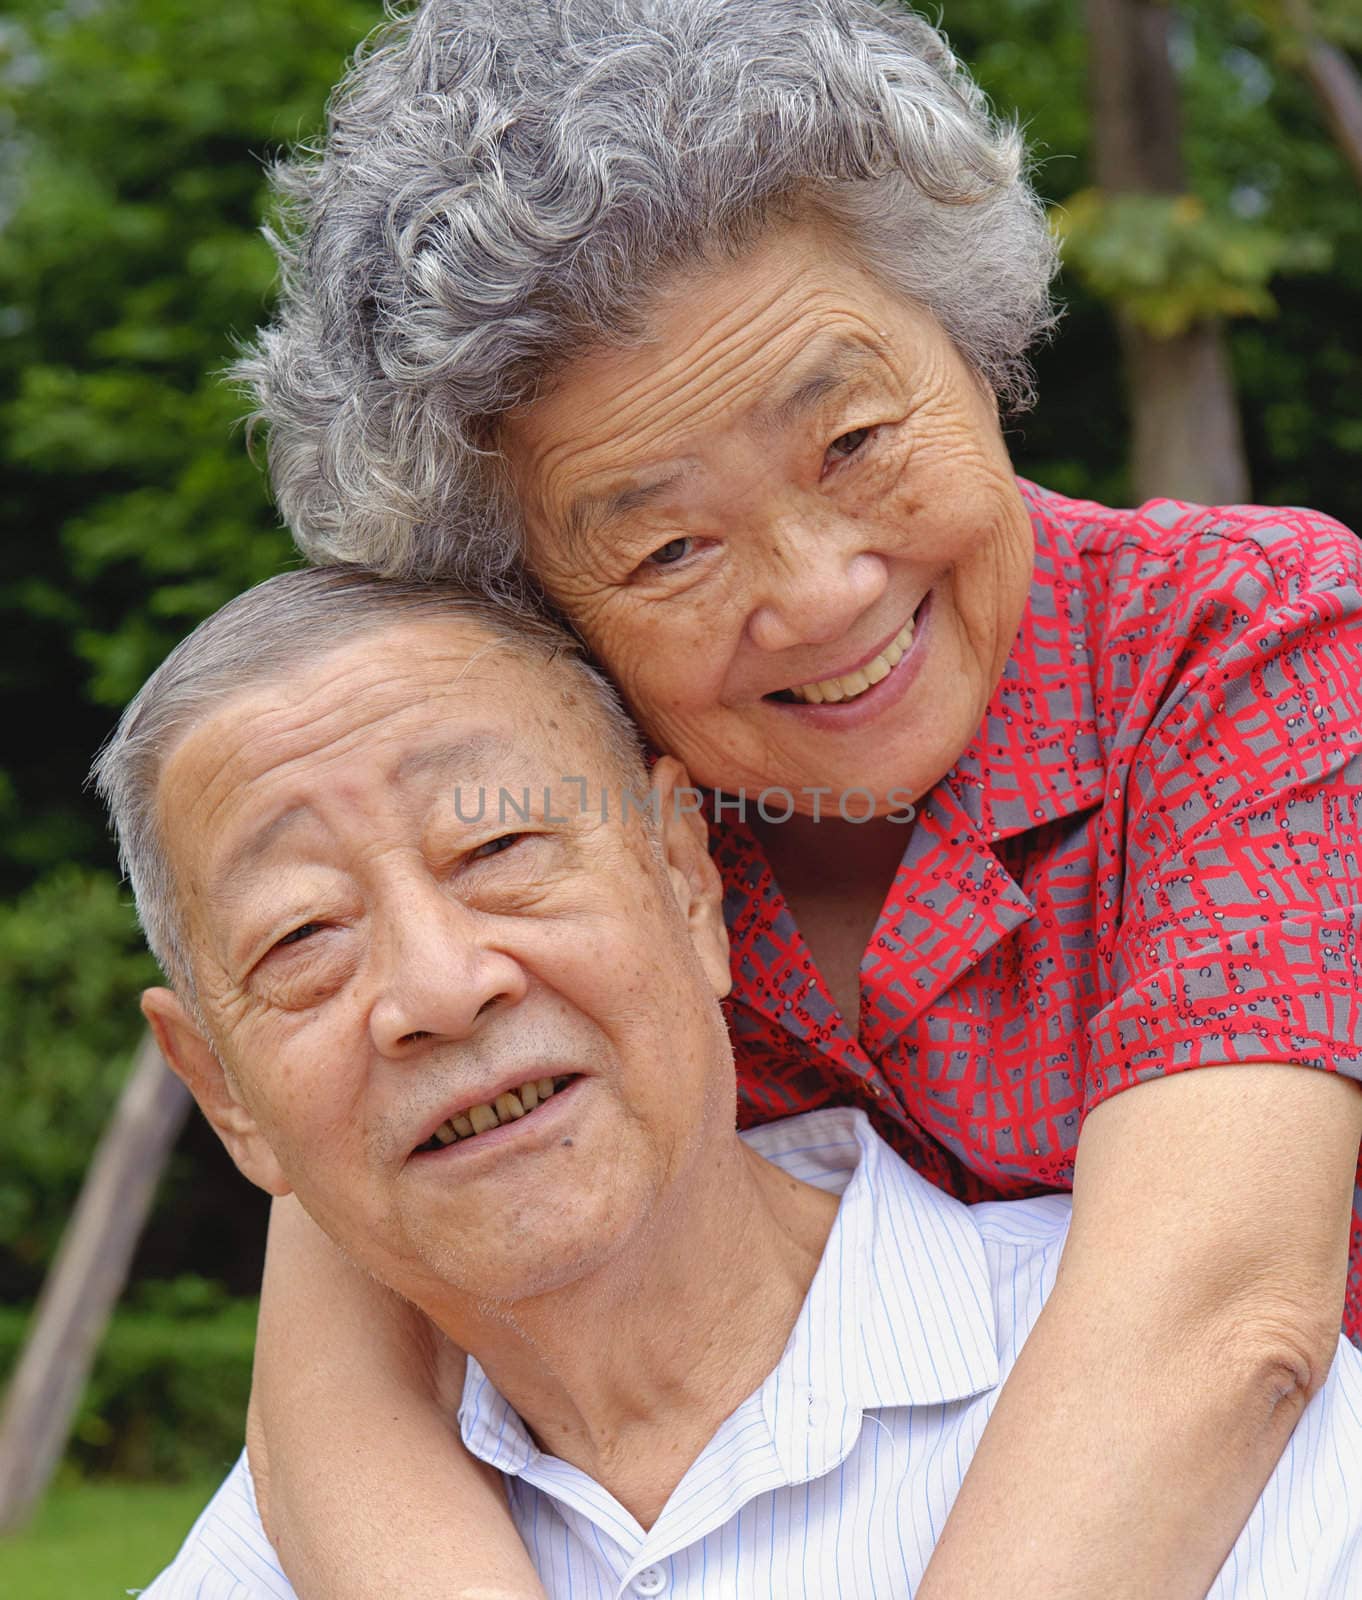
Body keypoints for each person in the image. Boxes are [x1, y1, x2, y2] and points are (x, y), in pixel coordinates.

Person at [230, 1, 1362, 1595]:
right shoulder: (550, 825)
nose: (821, 593)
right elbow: (337, 1400)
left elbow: (1222, 1329)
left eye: (852, 438)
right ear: (536, 599)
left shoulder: (1239, 640)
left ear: (965, 342)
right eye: (667, 547)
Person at [97, 568, 1362, 1600]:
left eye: (497, 846)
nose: (437, 987)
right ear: (225, 1094)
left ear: (689, 882)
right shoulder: (274, 1558)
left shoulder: (1233, 1450)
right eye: (302, 935)